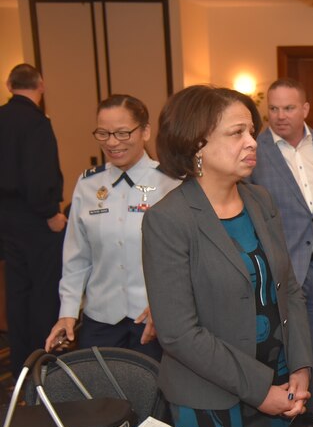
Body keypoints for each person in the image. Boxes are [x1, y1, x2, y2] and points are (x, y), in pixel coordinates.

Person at [142, 85, 313, 427]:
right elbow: (179, 334)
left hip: (280, 386)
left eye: (252, 131)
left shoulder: (260, 201)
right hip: (211, 402)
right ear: (196, 143)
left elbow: (287, 289)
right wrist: (260, 391)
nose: (252, 142)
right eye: (237, 133)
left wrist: (300, 368)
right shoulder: (169, 220)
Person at [43, 95, 179, 359]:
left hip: (153, 321)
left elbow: (183, 257)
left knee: (154, 396)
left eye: (122, 132)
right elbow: (77, 258)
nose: (112, 142)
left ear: (146, 131)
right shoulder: (88, 184)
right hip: (101, 320)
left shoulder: (169, 182)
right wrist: (68, 312)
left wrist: (167, 305)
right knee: (101, 397)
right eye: (103, 133)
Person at [251, 78, 313, 424]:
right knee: (278, 345)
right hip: (278, 269)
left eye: (289, 108)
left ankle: (305, 410)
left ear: (305, 109)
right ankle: (278, 413)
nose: (280, 116)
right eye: (274, 108)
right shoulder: (254, 150)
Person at [0, 63, 65, 375]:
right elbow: (37, 175)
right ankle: (44, 365)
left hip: (6, 219)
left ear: (9, 86)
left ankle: (19, 368)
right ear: (41, 87)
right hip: (35, 218)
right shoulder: (36, 122)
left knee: (16, 293)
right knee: (43, 293)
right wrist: (51, 212)